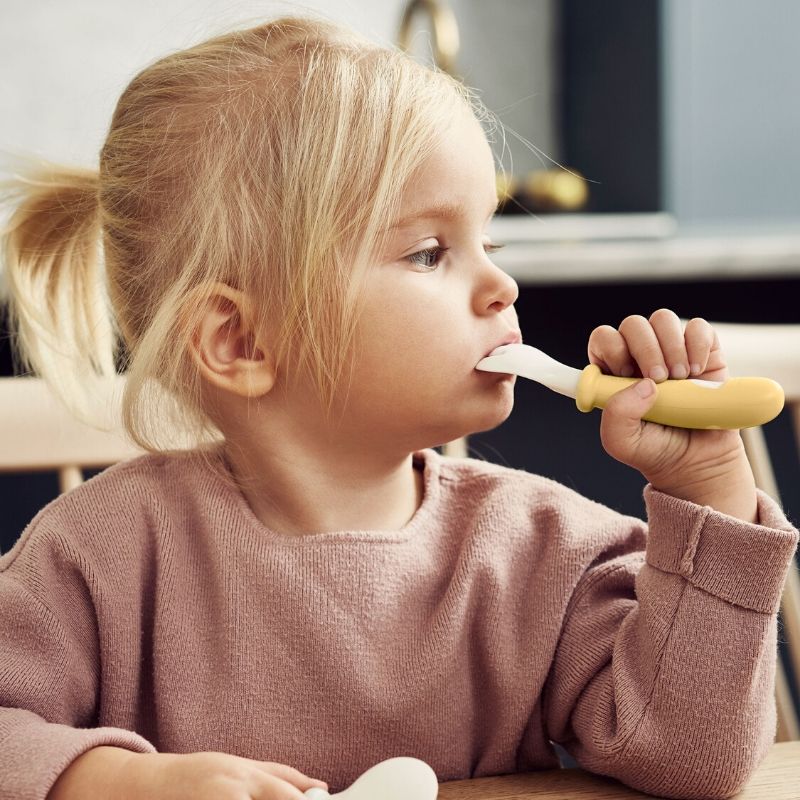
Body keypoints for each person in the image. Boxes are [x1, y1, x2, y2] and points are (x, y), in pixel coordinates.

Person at [1, 14, 797, 800]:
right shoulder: (96, 561)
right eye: (429, 253)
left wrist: (707, 489)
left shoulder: (543, 557)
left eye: (491, 243)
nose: (502, 286)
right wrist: (114, 779)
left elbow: (692, 758)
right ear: (241, 341)